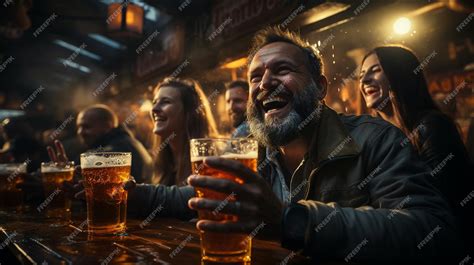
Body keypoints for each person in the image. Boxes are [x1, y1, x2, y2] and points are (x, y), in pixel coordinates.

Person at [71, 27, 462, 263]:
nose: (264, 84)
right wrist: (130, 195)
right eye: (255, 76)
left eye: (283, 70)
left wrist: (293, 220)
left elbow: (433, 232)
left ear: (320, 88)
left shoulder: (375, 139)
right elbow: (194, 196)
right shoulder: (247, 143)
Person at [359, 45, 473, 246]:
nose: (364, 79)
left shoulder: (432, 127)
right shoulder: (374, 138)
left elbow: (449, 201)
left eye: (376, 70)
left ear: (400, 74)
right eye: (361, 74)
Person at [48, 104, 153, 183]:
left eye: (86, 126)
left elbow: (81, 167)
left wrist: (65, 171)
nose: (80, 132)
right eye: (79, 127)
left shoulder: (115, 149)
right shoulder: (126, 141)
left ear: (107, 125)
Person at [150, 77, 218, 185]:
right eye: (154, 102)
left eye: (166, 102)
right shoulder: (162, 161)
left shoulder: (211, 158)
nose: (154, 109)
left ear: (189, 113)